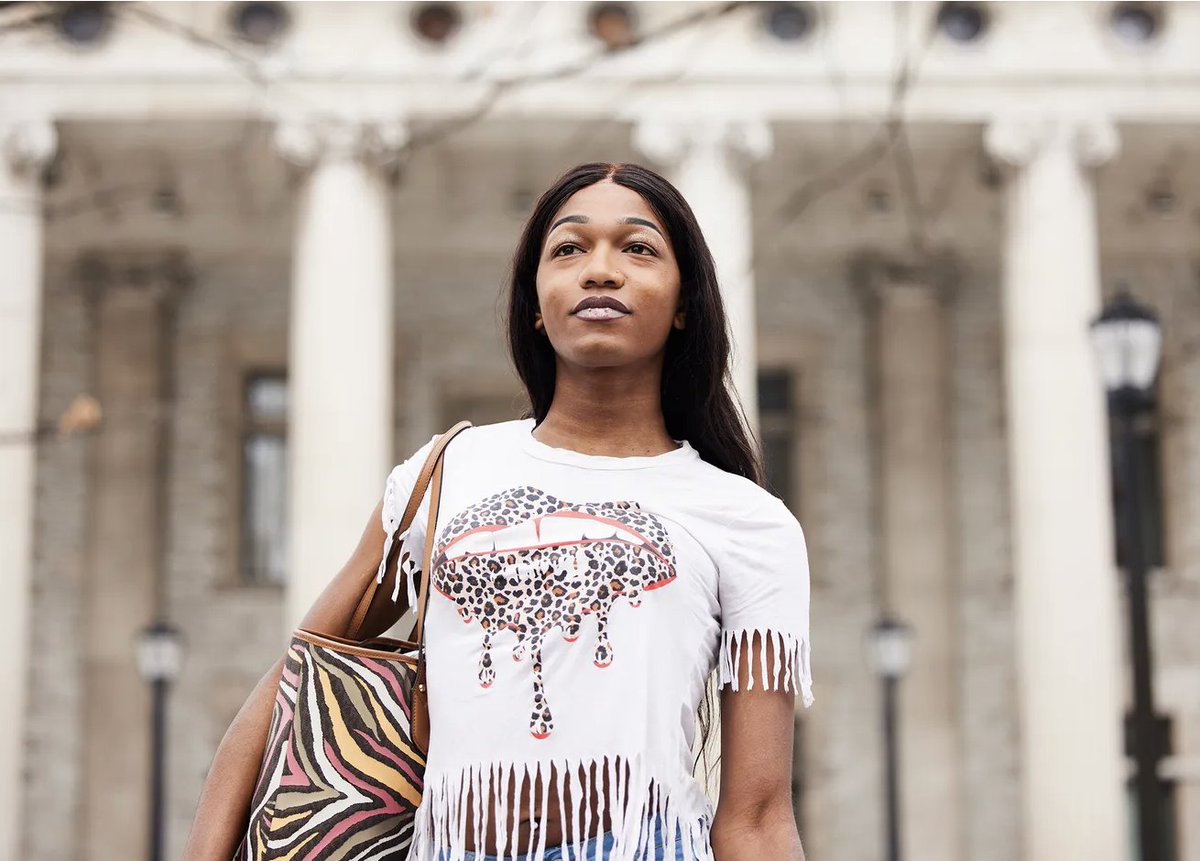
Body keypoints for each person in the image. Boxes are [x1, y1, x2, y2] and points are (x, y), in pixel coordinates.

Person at [183, 162, 813, 861]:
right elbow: (296, 678)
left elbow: (756, 816)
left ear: (685, 300)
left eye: (637, 248)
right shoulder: (447, 473)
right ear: (533, 305)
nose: (600, 270)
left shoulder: (747, 521)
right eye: (569, 249)